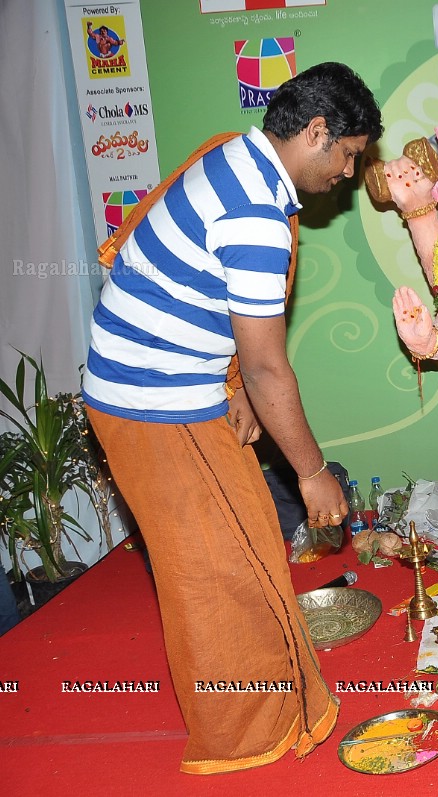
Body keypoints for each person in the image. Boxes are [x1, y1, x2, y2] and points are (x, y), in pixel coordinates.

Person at [82, 62, 381, 774]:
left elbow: (210, 305)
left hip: (164, 387)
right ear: (315, 133)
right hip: (155, 402)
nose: (346, 173)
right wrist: (311, 473)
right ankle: (246, 730)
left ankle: (272, 704)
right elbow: (269, 364)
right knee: (221, 573)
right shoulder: (255, 212)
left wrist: (234, 388)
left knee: (241, 545)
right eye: (346, 154)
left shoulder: (233, 156)